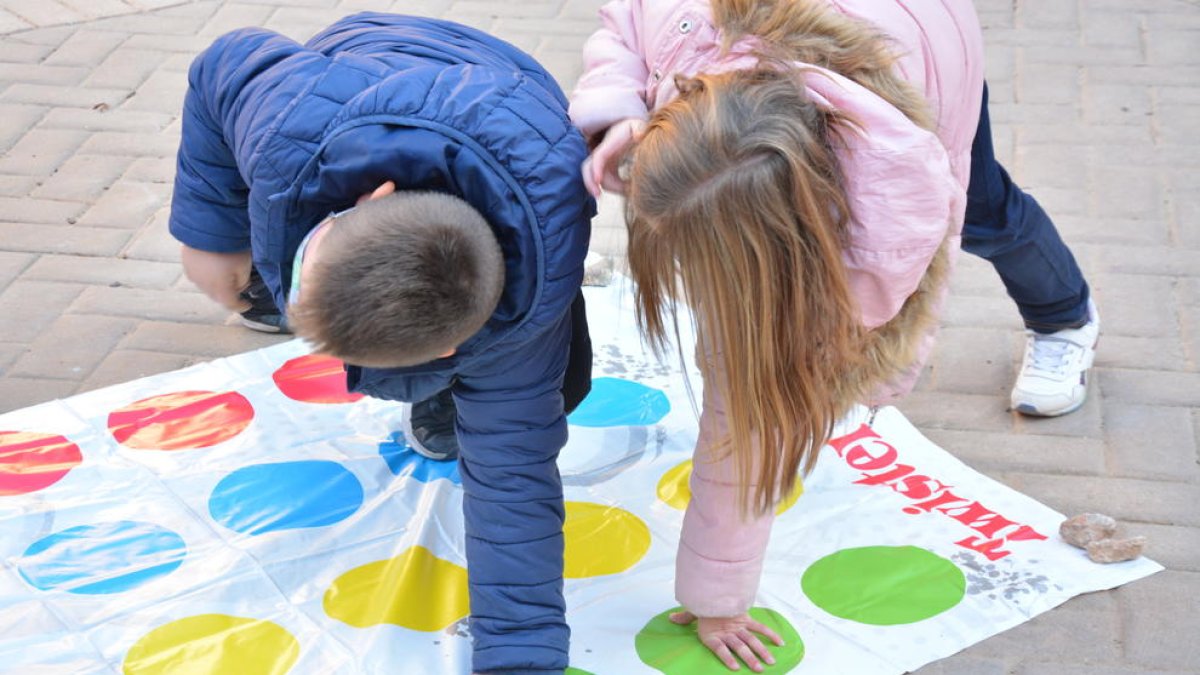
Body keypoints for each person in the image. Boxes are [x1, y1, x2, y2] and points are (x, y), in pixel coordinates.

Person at [569, 0, 1094, 670]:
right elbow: (626, 20)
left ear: (791, 244)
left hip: (931, 55)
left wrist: (718, 597)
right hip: (875, 46)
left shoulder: (884, 218)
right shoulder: (690, 31)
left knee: (988, 210)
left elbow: (758, 417)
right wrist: (617, 113)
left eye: (715, 266)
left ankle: (1065, 313)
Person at [170, 12, 595, 674]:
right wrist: (210, 230)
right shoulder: (285, 124)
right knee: (227, 271)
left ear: (456, 348)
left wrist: (521, 659)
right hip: (349, 80)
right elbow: (223, 58)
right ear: (369, 198)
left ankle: (437, 397)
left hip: (514, 106)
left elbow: (514, 494)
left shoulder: (529, 304)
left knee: (550, 395)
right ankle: (295, 284)